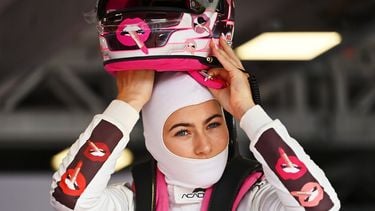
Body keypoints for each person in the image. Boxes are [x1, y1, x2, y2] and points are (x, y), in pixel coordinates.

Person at [50, 35, 340, 210]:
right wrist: (128, 103)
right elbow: (70, 200)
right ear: (153, 138)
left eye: (214, 124)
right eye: (182, 131)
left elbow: (320, 206)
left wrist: (247, 110)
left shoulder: (257, 199)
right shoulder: (132, 202)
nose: (204, 146)